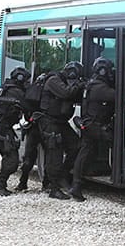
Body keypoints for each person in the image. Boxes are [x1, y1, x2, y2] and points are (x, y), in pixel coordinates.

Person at [35, 61, 86, 200]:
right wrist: (80, 85)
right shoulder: (53, 80)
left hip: (61, 122)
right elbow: (66, 93)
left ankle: (62, 175)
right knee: (55, 154)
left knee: (76, 146)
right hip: (49, 121)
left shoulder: (65, 81)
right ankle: (53, 188)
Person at [70, 57, 115, 201]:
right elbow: (118, 96)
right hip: (94, 126)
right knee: (114, 141)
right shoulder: (100, 87)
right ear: (103, 71)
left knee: (86, 151)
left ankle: (77, 184)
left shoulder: (92, 84)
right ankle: (76, 187)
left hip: (90, 124)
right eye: (109, 71)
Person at [0, 67, 30, 195]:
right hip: (2, 128)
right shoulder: (15, 91)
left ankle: (0, 183)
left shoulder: (7, 88)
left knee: (10, 156)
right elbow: (27, 106)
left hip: (2, 127)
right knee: (12, 159)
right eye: (26, 81)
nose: (27, 83)